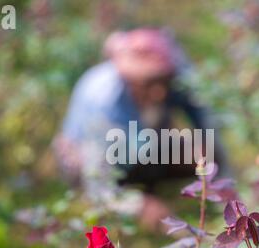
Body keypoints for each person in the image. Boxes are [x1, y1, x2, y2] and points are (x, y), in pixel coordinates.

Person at [53, 28, 228, 229]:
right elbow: (97, 183)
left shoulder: (177, 81)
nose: (159, 93)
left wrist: (226, 190)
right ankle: (123, 201)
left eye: (164, 81)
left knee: (202, 152)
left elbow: (209, 130)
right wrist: (139, 206)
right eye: (149, 83)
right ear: (129, 79)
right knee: (103, 192)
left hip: (140, 148)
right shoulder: (104, 99)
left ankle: (148, 185)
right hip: (90, 162)